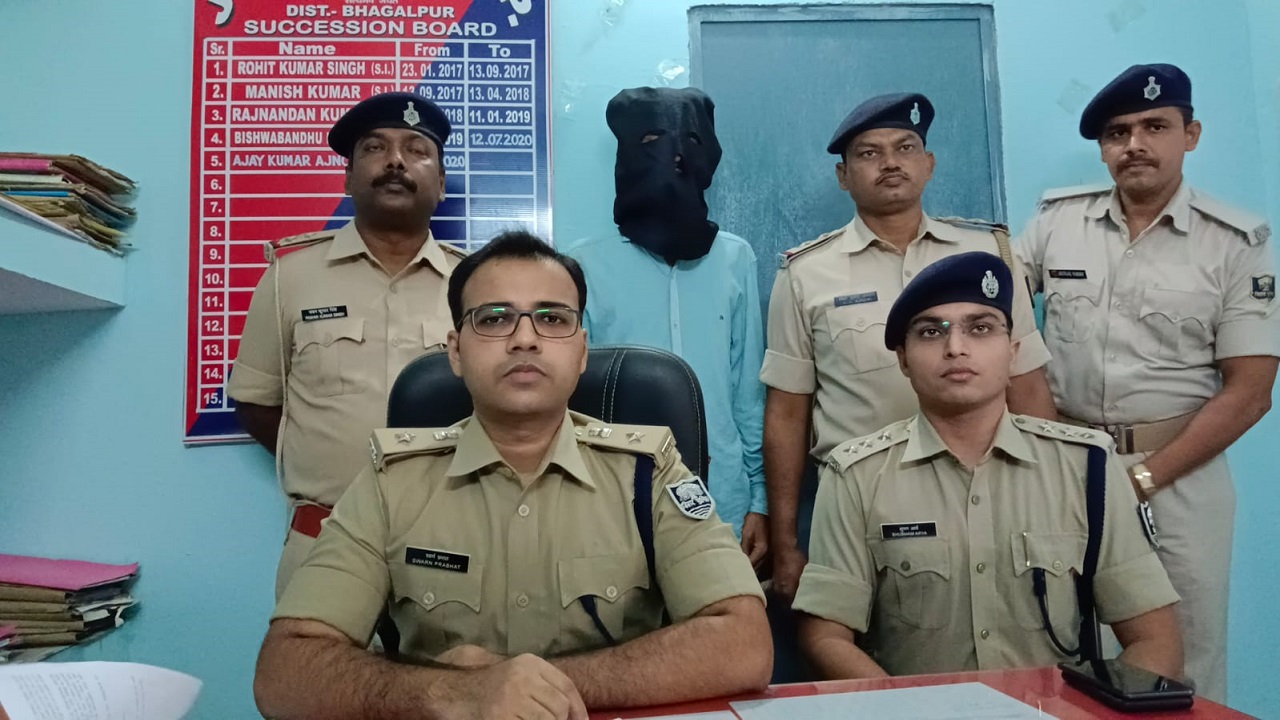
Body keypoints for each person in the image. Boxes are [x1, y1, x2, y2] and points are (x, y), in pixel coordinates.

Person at [253, 231, 773, 718]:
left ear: (582, 350)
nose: (525, 338)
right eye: (495, 319)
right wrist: (457, 694)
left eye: (552, 319)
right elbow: (284, 674)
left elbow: (745, 644)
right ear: (456, 351)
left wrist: (527, 686)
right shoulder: (392, 482)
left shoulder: (649, 472)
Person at [1015, 63, 1279, 703]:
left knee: (1185, 659)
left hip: (1182, 476)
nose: (1135, 144)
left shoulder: (1235, 242)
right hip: (1071, 469)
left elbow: (1250, 391)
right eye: (1118, 132)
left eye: (1155, 127)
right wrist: (1054, 450)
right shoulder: (1057, 222)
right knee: (1071, 648)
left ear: (1191, 135)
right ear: (1104, 148)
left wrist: (1144, 478)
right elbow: (999, 321)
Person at [792, 252, 1183, 680]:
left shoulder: (1087, 466)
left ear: (1013, 353)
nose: (955, 348)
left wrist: (1090, 710)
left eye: (980, 328)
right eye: (931, 332)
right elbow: (825, 636)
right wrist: (904, 708)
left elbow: (1156, 640)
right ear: (903, 359)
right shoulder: (856, 475)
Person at [761, 92, 1057, 603]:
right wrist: (786, 542)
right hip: (859, 502)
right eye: (869, 153)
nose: (890, 163)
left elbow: (1027, 383)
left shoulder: (988, 255)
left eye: (905, 148)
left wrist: (1051, 496)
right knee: (854, 642)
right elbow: (788, 413)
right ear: (843, 175)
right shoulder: (805, 273)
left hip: (986, 491)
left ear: (929, 164)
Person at [228, 92, 466, 597]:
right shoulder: (290, 277)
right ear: (348, 179)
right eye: (375, 148)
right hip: (324, 540)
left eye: (417, 150)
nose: (396, 161)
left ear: (442, 184)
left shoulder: (476, 285)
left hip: (453, 540)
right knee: (310, 652)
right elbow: (256, 402)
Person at [565, 86, 768, 564]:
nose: (673, 157)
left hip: (723, 493)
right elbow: (571, 394)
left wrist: (759, 499)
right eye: (652, 141)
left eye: (688, 143)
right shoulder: (583, 266)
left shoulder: (734, 258)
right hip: (614, 493)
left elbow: (747, 389)